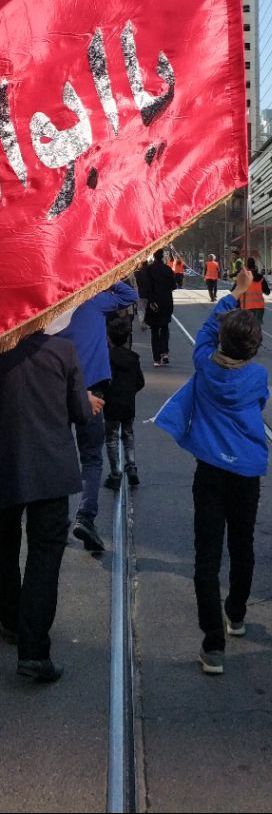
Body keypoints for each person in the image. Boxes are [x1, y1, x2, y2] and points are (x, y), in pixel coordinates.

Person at [153, 269, 268, 674]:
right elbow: (260, 405)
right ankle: (236, 614)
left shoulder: (204, 364)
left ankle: (212, 645)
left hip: (210, 472)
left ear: (221, 340)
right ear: (254, 348)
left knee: (207, 554)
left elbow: (205, 334)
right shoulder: (259, 376)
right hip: (246, 474)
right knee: (242, 545)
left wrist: (231, 296)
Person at [0, 328, 91, 683]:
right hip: (50, 468)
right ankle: (34, 650)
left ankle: (8, 618)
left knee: (4, 541)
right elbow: (80, 412)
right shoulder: (64, 351)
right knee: (45, 555)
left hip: (4, 464)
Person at [60, 280, 138, 553]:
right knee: (91, 457)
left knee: (58, 453)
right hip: (91, 387)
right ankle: (85, 516)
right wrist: (106, 275)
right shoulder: (93, 301)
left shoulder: (54, 304)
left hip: (57, 390)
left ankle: (57, 520)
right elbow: (130, 294)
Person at [103, 315, 145, 490]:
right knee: (128, 434)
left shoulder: (106, 358)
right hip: (128, 403)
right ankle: (132, 465)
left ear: (108, 338)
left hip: (111, 403)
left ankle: (115, 473)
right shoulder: (133, 358)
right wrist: (130, 392)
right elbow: (140, 382)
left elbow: (102, 380)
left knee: (111, 438)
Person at [145, 248, 177, 366]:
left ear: (154, 256)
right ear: (163, 256)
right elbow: (174, 286)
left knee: (154, 331)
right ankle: (165, 353)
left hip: (153, 303)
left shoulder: (149, 270)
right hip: (166, 303)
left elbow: (147, 287)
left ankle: (156, 359)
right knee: (164, 327)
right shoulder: (168, 270)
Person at [238, 256, 270, 325]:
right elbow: (267, 292)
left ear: (247, 266)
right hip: (259, 307)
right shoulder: (261, 278)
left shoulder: (243, 277)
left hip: (246, 307)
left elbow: (235, 291)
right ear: (254, 265)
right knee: (256, 327)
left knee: (246, 327)